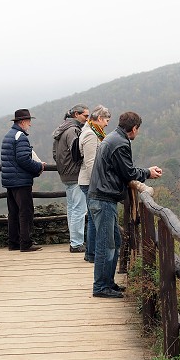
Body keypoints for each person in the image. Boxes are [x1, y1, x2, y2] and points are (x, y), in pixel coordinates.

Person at [88, 111, 163, 298]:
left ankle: (108, 283)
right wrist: (148, 172)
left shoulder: (113, 137)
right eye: (138, 130)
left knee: (114, 241)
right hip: (103, 198)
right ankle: (101, 287)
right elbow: (128, 172)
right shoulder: (120, 143)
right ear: (135, 128)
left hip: (101, 196)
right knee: (107, 244)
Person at [1, 108, 45, 252]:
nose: (30, 124)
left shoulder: (9, 135)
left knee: (13, 212)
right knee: (25, 212)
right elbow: (23, 159)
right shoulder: (21, 137)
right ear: (23, 122)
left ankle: (13, 243)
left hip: (10, 180)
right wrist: (39, 166)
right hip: (21, 180)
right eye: (29, 121)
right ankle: (25, 243)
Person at [52, 104, 90, 253]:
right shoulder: (73, 130)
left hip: (64, 174)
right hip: (75, 174)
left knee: (72, 209)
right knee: (79, 210)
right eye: (85, 116)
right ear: (76, 114)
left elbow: (55, 154)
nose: (87, 119)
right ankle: (76, 243)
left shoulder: (61, 130)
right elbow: (77, 152)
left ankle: (74, 241)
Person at [78, 105, 111, 263]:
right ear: (99, 119)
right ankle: (92, 254)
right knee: (94, 218)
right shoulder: (91, 135)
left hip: (88, 182)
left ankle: (90, 253)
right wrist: (99, 183)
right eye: (106, 120)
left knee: (92, 218)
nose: (107, 124)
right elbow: (90, 163)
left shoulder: (92, 131)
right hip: (90, 182)